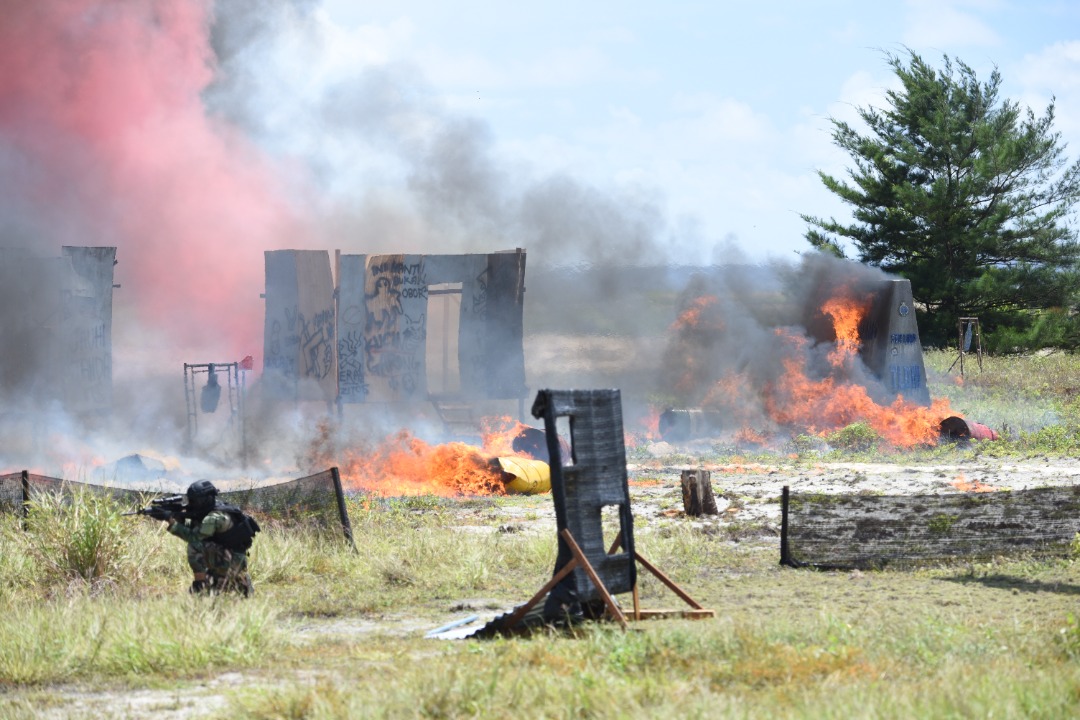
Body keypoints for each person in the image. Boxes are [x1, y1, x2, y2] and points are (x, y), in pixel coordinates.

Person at [165, 479, 258, 596]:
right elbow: (197, 531)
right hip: (231, 557)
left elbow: (194, 537)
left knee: (194, 546)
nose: (193, 503)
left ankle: (200, 583)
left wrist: (172, 523)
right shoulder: (215, 509)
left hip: (231, 560)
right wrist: (180, 520)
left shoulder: (213, 517)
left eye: (196, 500)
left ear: (205, 499)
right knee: (214, 590)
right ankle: (239, 581)